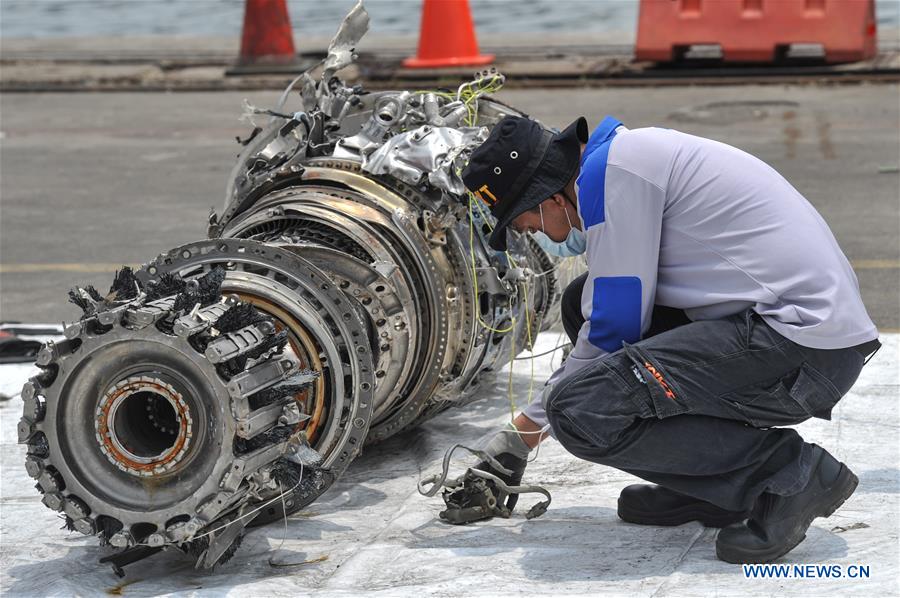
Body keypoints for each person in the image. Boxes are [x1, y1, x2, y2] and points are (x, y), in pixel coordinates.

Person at [460, 114, 880, 564]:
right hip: (797, 337)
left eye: (521, 221)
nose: (528, 232)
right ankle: (717, 488)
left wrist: (523, 433)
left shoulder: (615, 176)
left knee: (579, 410)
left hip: (801, 349)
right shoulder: (618, 161)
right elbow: (608, 309)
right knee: (579, 303)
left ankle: (788, 474)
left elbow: (615, 326)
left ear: (546, 196)